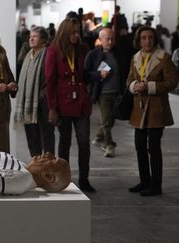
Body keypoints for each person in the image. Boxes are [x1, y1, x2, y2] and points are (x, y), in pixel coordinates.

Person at [126, 26, 179, 196]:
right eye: (143, 38)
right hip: (139, 109)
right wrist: (135, 86)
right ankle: (144, 181)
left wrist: (149, 86)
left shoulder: (164, 58)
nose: (147, 41)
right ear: (139, 40)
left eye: (150, 37)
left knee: (154, 147)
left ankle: (156, 185)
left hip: (157, 109)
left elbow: (172, 82)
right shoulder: (135, 58)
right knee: (139, 145)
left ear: (154, 39)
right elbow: (129, 80)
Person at [45, 18, 95, 192]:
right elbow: (50, 82)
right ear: (65, 32)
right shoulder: (53, 51)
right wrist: (52, 108)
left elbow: (87, 73)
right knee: (64, 143)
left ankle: (84, 179)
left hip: (81, 103)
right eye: (73, 32)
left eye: (78, 32)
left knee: (84, 142)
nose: (76, 35)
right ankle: (63, 179)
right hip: (63, 103)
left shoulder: (83, 49)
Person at [84, 28, 130, 157]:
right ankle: (109, 145)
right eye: (107, 39)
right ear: (100, 40)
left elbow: (125, 70)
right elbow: (86, 74)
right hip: (103, 94)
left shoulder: (119, 53)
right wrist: (99, 74)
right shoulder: (93, 55)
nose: (110, 42)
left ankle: (99, 138)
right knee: (106, 120)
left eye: (112, 39)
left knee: (110, 120)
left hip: (117, 93)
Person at [14, 27, 55, 157]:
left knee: (46, 135)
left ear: (43, 40)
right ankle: (36, 162)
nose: (31, 38)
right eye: (30, 36)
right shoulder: (28, 55)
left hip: (43, 102)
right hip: (28, 102)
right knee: (32, 135)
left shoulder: (47, 54)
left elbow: (51, 78)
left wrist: (42, 95)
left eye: (35, 36)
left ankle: (48, 165)